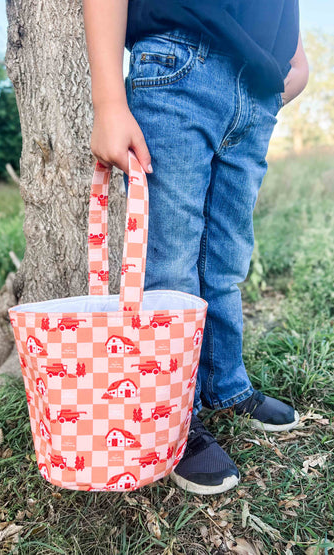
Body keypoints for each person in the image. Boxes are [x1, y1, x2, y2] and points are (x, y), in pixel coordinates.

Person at [82, 0, 309, 495]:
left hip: (256, 91)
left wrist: (281, 81)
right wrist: (108, 102)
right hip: (178, 67)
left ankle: (226, 384)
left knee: (226, 259)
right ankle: (173, 418)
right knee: (171, 262)